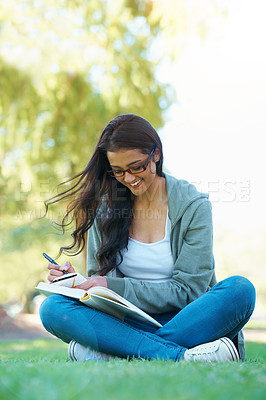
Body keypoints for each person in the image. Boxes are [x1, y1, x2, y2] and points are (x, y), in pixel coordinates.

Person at [40, 114, 255, 363]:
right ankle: (181, 356)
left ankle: (117, 349)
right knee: (52, 308)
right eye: (118, 171)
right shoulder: (105, 212)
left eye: (137, 166)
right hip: (126, 320)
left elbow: (191, 291)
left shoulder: (192, 206)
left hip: (186, 319)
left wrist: (111, 286)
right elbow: (103, 295)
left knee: (240, 290)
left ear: (156, 154)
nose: (129, 178)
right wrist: (78, 283)